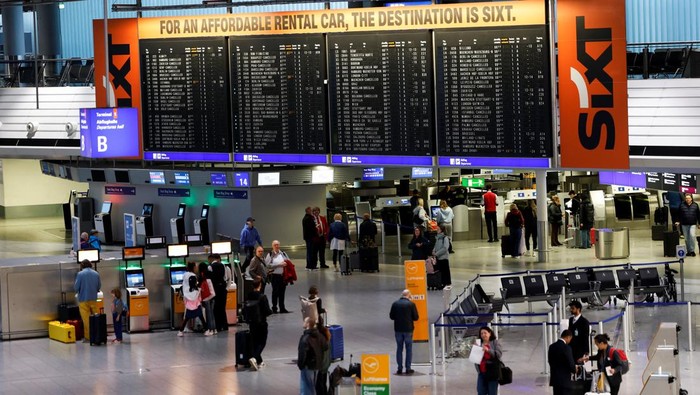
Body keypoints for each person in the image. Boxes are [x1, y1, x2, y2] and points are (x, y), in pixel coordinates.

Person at [389, 289, 419, 375]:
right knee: (409, 349)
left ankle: (399, 368)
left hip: (398, 329)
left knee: (399, 348)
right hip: (408, 330)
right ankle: (408, 368)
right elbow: (416, 317)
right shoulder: (411, 304)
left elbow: (391, 316)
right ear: (408, 295)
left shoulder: (395, 304)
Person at [247, 277, 273, 371]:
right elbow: (267, 310)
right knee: (262, 341)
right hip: (261, 322)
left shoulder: (249, 295)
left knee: (254, 341)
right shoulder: (262, 297)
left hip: (252, 322)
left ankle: (259, 361)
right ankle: (254, 358)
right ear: (260, 285)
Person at [297, 316, 328, 395]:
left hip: (308, 366)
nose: (303, 323)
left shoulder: (305, 338)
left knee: (306, 388)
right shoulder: (320, 336)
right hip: (317, 366)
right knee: (312, 386)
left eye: (304, 321)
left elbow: (302, 353)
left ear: (307, 324)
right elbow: (325, 347)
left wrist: (300, 365)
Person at [178, 261, 209, 337]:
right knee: (200, 314)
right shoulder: (193, 276)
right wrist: (199, 290)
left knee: (188, 316)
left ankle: (180, 331)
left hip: (187, 298)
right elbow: (194, 287)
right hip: (194, 298)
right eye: (195, 267)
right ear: (193, 267)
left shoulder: (185, 275)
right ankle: (206, 330)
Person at [74, 259, 101, 343]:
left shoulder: (80, 274)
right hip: (93, 298)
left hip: (83, 299)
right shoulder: (96, 274)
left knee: (86, 319)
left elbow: (76, 287)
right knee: (96, 318)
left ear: (82, 265)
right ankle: (98, 335)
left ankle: (88, 337)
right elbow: (99, 286)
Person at [474, 326, 502, 395]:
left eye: (485, 333)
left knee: (492, 392)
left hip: (492, 372)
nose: (483, 335)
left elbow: (498, 354)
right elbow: (475, 359)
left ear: (489, 333)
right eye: (482, 333)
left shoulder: (495, 342)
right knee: (480, 391)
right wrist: (474, 349)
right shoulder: (479, 344)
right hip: (482, 372)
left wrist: (488, 350)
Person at [265, 240, 290, 313]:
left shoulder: (283, 253)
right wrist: (279, 265)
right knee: (275, 292)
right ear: (272, 246)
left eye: (278, 245)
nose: (277, 246)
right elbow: (268, 265)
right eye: (275, 245)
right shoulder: (270, 254)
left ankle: (282, 307)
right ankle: (274, 308)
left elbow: (288, 261)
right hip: (275, 276)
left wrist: (286, 263)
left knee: (282, 292)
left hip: (283, 276)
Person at [548, 330, 577, 395]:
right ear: (568, 337)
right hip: (565, 381)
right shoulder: (567, 348)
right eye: (570, 339)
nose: (570, 341)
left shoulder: (551, 346)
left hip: (555, 380)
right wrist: (575, 369)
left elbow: (550, 361)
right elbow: (570, 363)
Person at [208, 253, 229, 332]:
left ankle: (218, 326)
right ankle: (225, 325)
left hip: (215, 289)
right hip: (223, 289)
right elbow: (225, 277)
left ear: (211, 259)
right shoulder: (223, 265)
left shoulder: (210, 267)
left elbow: (210, 279)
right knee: (222, 307)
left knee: (216, 308)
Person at [198, 262, 217, 336]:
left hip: (206, 297)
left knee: (208, 314)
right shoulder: (211, 273)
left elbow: (200, 286)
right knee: (212, 314)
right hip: (212, 295)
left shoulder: (202, 275)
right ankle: (214, 329)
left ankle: (210, 329)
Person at [315, 316, 332, 395]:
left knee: (319, 385)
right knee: (323, 384)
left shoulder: (318, 337)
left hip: (320, 366)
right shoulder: (326, 333)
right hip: (326, 364)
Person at [432, 224, 452, 289]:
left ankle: (446, 283)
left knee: (445, 271)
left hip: (443, 258)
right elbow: (435, 246)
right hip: (438, 258)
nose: (437, 230)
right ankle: (440, 283)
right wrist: (433, 251)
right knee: (440, 271)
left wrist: (437, 254)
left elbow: (445, 248)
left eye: (438, 229)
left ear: (441, 230)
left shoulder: (445, 238)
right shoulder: (437, 238)